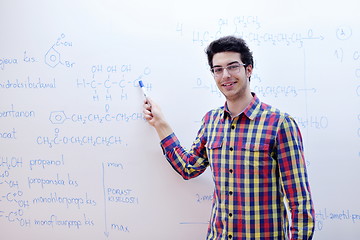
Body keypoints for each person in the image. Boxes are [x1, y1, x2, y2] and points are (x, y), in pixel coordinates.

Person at [143, 36, 315, 240]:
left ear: (248, 69)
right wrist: (161, 124)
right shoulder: (211, 121)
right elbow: (189, 167)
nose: (225, 75)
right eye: (218, 69)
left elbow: (299, 202)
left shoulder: (280, 124)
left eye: (233, 67)